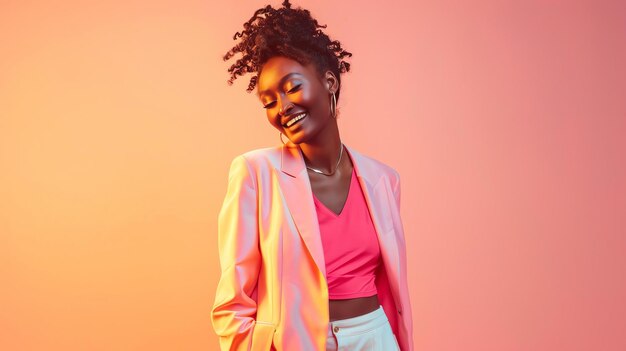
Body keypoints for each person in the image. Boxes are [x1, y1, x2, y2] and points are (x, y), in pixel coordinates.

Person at [211, 1, 413, 350]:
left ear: (329, 81)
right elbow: (232, 301)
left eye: (291, 87)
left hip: (377, 337)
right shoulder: (255, 174)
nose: (282, 107)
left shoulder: (384, 180)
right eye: (269, 101)